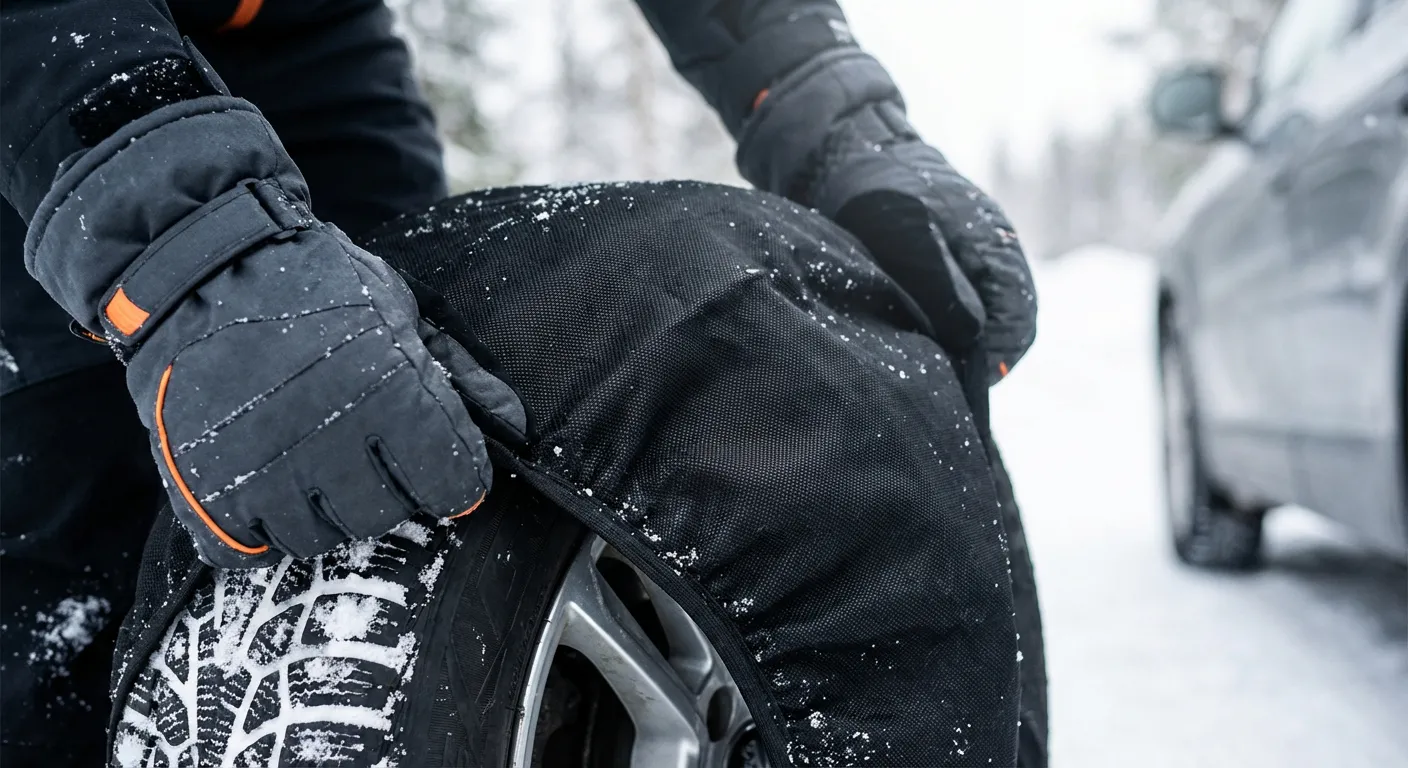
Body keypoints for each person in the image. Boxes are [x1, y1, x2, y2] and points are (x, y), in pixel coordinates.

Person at [0, 1, 1044, 765]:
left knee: (391, 434)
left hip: (302, 36)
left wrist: (829, 114)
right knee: (66, 572)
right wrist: (187, 246)